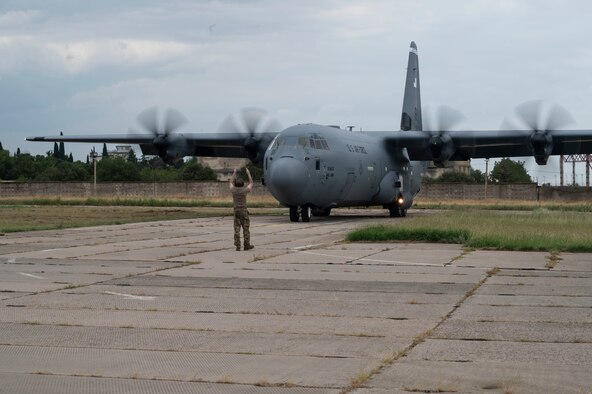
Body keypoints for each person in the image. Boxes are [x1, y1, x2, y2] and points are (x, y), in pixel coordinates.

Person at [229, 167, 254, 251]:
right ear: (243, 184)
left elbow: (230, 182)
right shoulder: (244, 191)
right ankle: (246, 245)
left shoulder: (233, 190)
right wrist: (248, 173)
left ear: (235, 184)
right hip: (244, 211)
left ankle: (238, 246)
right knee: (246, 229)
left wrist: (234, 172)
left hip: (236, 211)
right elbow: (251, 183)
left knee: (237, 229)